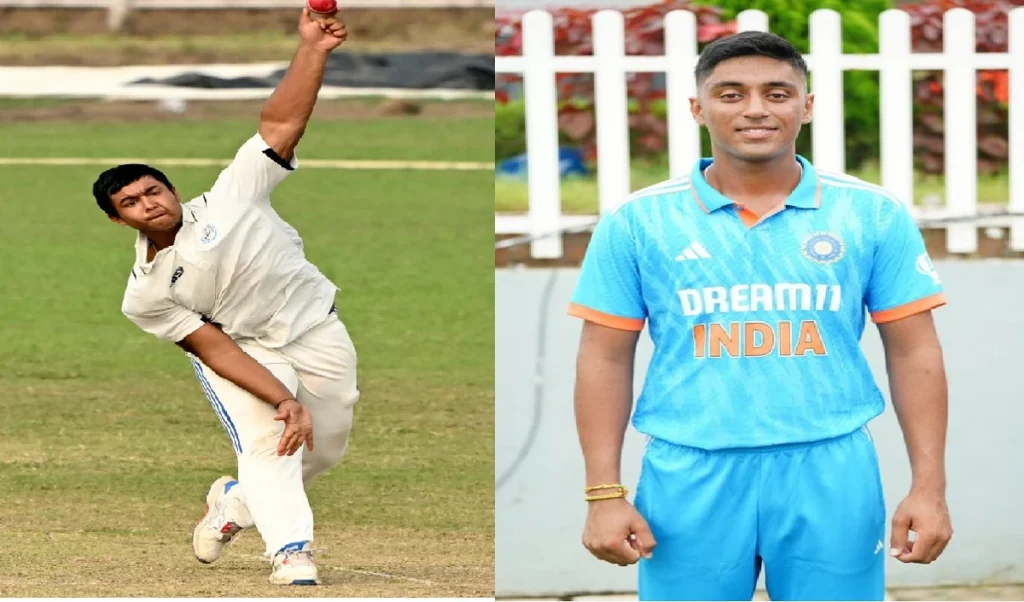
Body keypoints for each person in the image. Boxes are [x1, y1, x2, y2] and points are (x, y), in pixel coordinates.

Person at [568, 31, 953, 601]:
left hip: (830, 466)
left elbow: (915, 348)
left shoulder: (870, 213)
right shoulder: (637, 220)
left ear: (807, 106)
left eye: (777, 93)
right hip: (689, 470)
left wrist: (929, 487)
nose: (755, 109)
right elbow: (603, 356)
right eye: (731, 94)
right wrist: (603, 493)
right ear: (698, 109)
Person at [92, 8, 355, 587]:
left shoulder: (234, 195)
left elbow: (281, 123)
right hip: (245, 350)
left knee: (326, 449)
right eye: (131, 202)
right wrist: (281, 397)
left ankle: (235, 501)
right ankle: (291, 553)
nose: (149, 204)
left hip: (317, 327)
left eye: (153, 190)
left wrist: (313, 49)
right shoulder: (145, 294)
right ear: (118, 220)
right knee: (271, 440)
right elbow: (216, 349)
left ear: (172, 188)